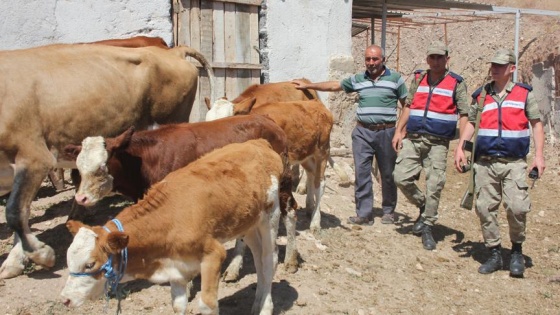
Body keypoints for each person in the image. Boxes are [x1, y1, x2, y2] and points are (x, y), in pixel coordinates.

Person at [454, 48, 546, 277]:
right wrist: (460, 148)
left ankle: (516, 251)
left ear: (511, 69)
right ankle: (494, 253)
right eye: (493, 65)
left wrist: (539, 156)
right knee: (484, 209)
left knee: (517, 208)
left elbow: (536, 124)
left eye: (500, 66)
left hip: (514, 163)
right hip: (485, 163)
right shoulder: (481, 95)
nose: (494, 69)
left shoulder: (524, 94)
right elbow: (472, 123)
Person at [292, 45, 407, 225]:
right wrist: (309, 85)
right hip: (362, 132)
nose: (371, 63)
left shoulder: (395, 79)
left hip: (387, 132)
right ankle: (364, 213)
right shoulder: (359, 79)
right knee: (362, 173)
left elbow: (407, 105)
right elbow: (335, 86)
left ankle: (388, 210)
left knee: (387, 173)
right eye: (368, 59)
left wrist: (400, 131)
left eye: (375, 59)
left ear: (383, 60)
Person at [392, 41, 470, 250]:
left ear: (447, 59)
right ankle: (423, 205)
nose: (435, 61)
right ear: (427, 59)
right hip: (414, 139)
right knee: (400, 176)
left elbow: (464, 115)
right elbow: (409, 105)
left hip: (438, 143)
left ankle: (427, 225)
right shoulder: (418, 78)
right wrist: (399, 131)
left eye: (439, 57)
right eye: (432, 57)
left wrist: (462, 146)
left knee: (435, 184)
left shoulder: (456, 82)